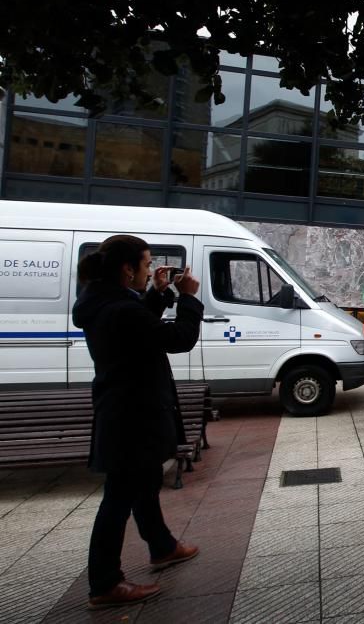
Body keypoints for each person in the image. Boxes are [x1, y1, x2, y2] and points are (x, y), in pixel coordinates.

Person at [72, 235, 203, 609]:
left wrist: (160, 295)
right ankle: (105, 583)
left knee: (143, 482)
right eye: (146, 265)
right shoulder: (119, 309)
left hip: (126, 408)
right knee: (119, 498)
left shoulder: (104, 301)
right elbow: (178, 338)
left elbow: (139, 325)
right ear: (127, 269)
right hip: (132, 414)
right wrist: (188, 299)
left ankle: (161, 546)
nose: (150, 271)